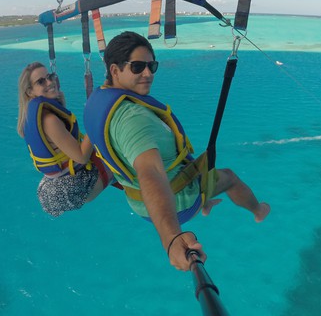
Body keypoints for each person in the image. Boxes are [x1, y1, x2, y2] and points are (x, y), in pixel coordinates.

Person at [83, 31, 270, 271]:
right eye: (138, 67)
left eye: (152, 65)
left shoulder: (98, 100)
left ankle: (206, 201)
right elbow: (151, 173)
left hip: (138, 202)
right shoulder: (134, 119)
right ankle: (258, 210)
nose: (148, 74)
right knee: (230, 178)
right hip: (178, 201)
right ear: (115, 70)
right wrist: (171, 238)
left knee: (199, 170)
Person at [17, 62, 113, 217]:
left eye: (49, 77)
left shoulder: (32, 113)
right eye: (41, 82)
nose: (49, 82)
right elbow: (81, 156)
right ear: (30, 91)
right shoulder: (48, 119)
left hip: (52, 186)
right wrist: (96, 118)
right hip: (70, 187)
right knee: (120, 160)